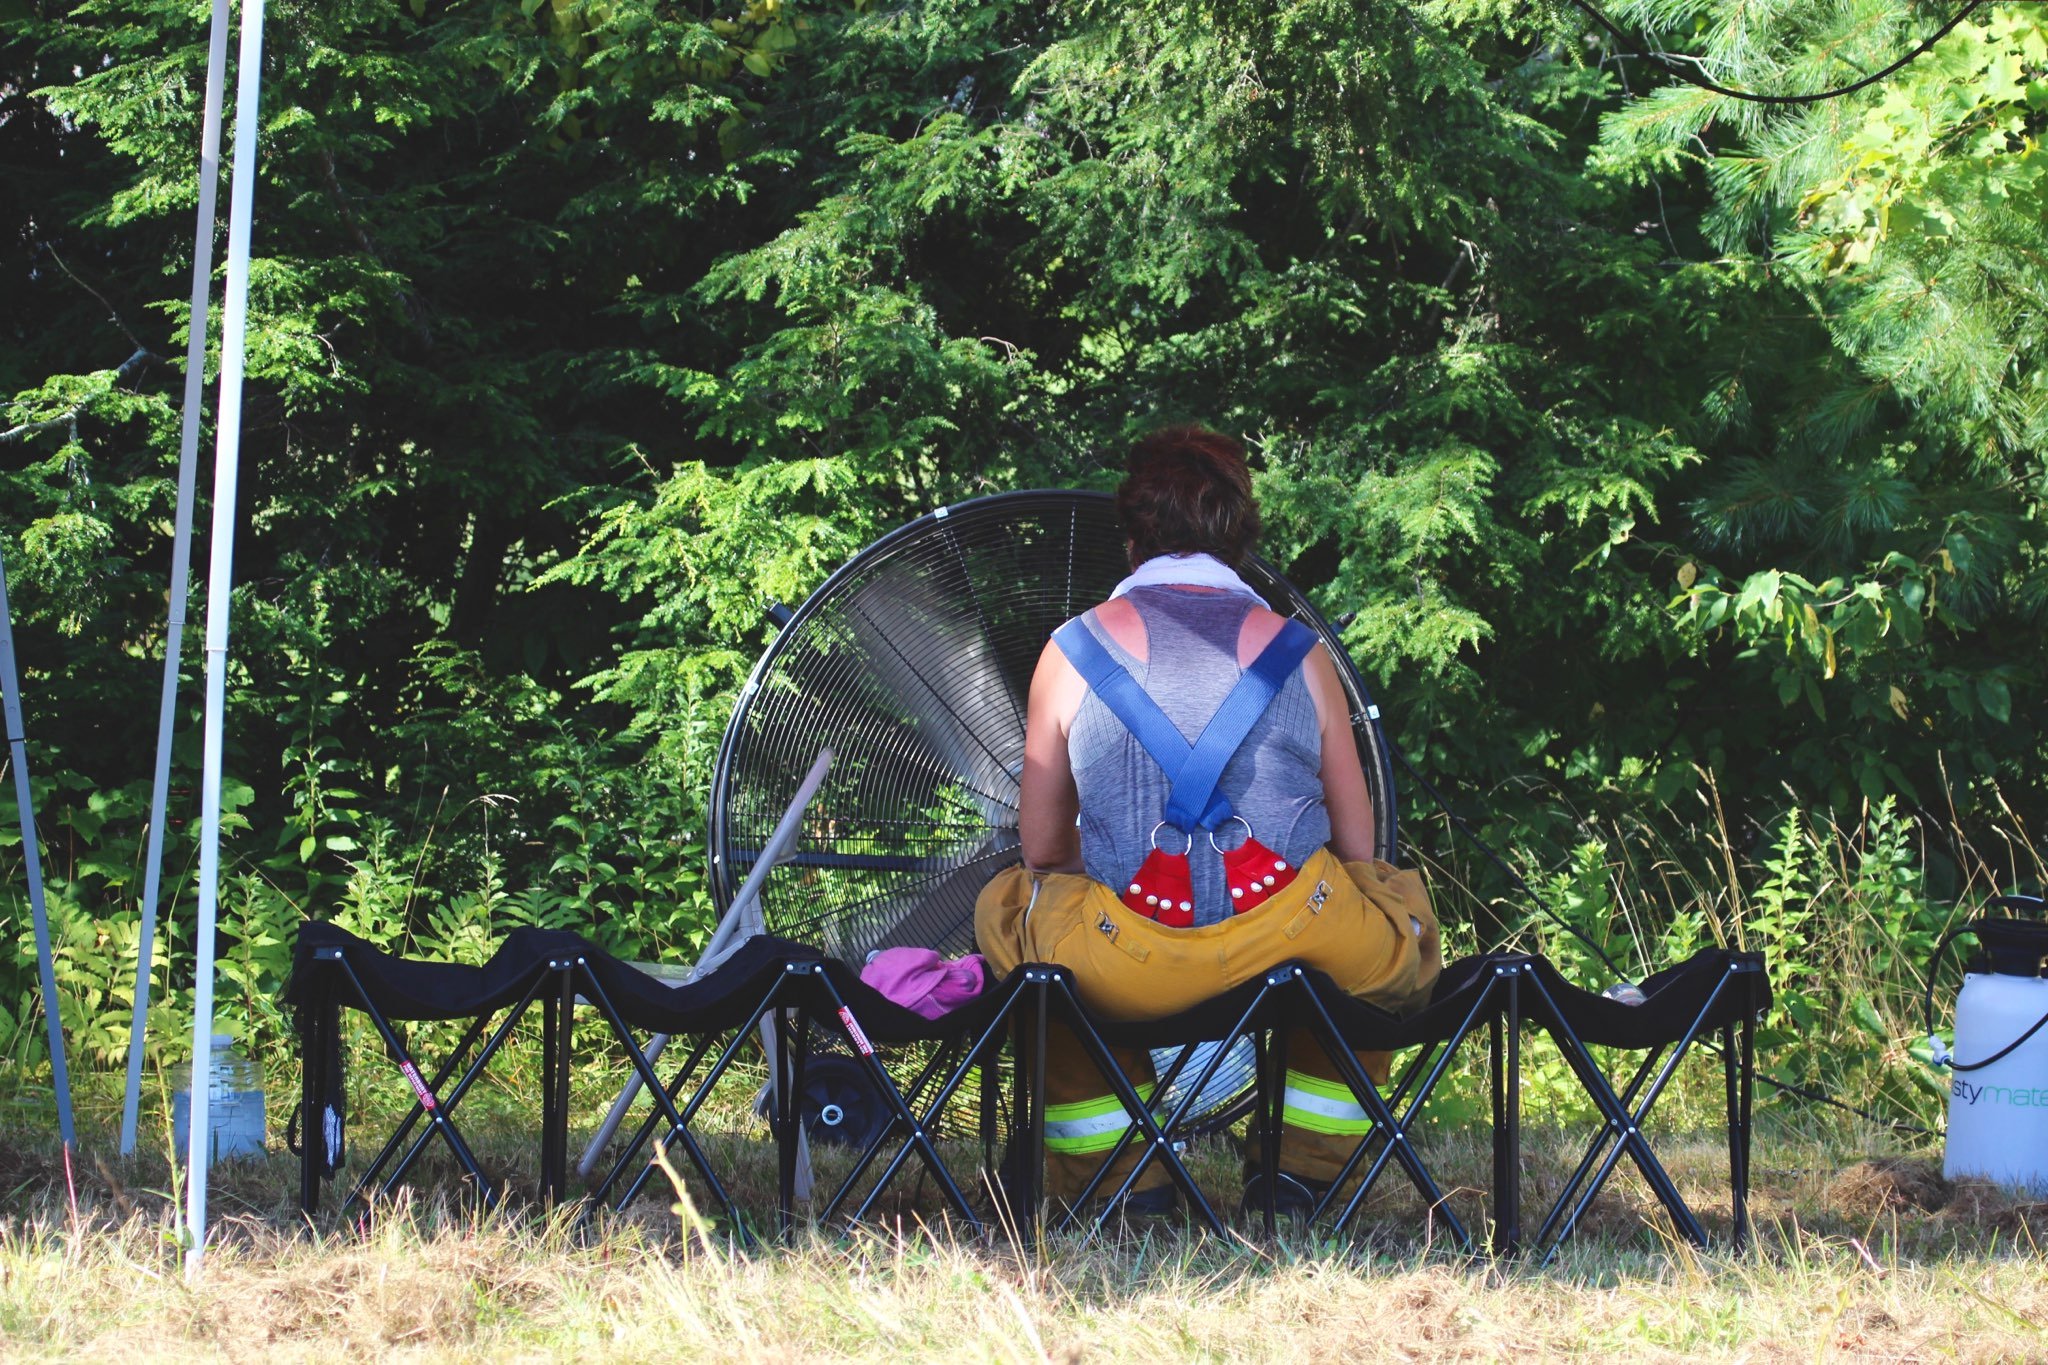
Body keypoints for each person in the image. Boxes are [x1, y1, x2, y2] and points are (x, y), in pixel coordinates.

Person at [974, 424, 1443, 1218]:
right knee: (1391, 922)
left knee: (1012, 914)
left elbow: (1046, 849)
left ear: (1131, 543)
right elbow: (1363, 849)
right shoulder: (1303, 651)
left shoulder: (1068, 650)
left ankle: (1122, 1176)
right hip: (1305, 938)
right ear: (1238, 542)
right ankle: (1300, 1168)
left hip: (1128, 959)